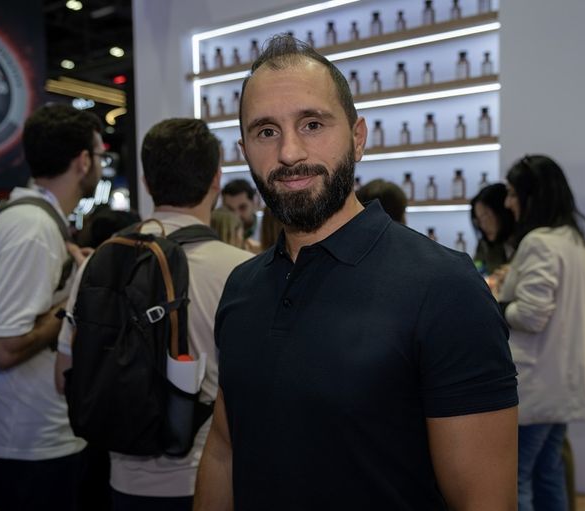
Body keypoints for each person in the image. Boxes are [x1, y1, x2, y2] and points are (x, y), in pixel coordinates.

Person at [195, 34, 518, 511]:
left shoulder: (445, 288)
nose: (289, 152)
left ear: (358, 137)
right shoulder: (242, 287)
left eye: (312, 124)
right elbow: (224, 450)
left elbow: (484, 501)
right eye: (266, 132)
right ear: (244, 150)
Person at [56, 118, 253, 510]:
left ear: (146, 182)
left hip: (122, 482)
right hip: (212, 482)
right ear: (216, 179)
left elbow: (64, 377)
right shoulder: (241, 271)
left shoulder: (101, 261)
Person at [0, 104, 102, 511]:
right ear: (83, 161)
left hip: (33, 434)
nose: (101, 165)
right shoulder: (33, 228)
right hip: (32, 441)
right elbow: (4, 348)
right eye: (100, 155)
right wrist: (75, 300)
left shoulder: (33, 220)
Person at [497, 155, 585, 511]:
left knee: (517, 480)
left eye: (514, 194)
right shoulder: (574, 241)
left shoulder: (540, 242)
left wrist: (498, 304)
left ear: (533, 197)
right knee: (548, 472)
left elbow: (531, 315)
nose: (508, 203)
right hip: (562, 382)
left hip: (538, 385)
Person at [470, 183, 515, 275]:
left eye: (485, 216)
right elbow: (475, 274)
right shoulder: (485, 246)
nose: (482, 225)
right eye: (478, 219)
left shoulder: (528, 242)